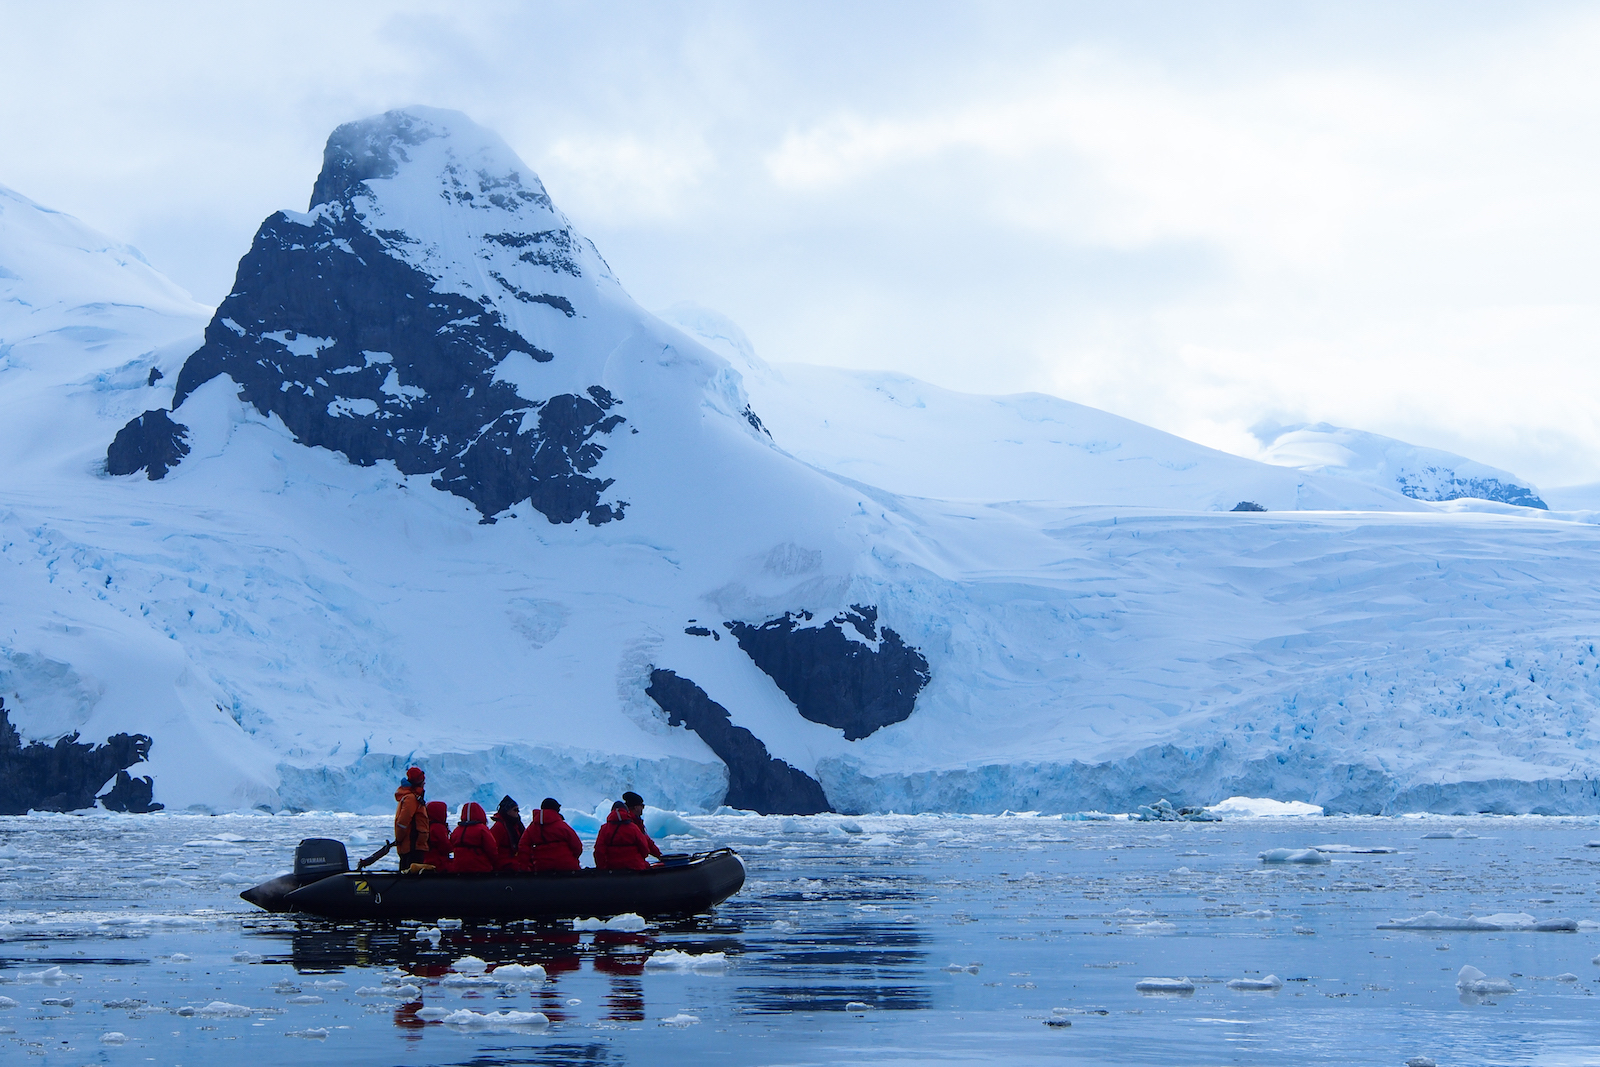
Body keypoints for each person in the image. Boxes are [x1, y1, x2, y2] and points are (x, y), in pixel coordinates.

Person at [593, 791, 662, 871]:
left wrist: (602, 868)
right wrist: (659, 855)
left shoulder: (606, 828)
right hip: (635, 866)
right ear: (636, 807)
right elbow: (645, 846)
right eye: (642, 806)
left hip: (612, 868)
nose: (643, 808)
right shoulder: (633, 825)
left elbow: (599, 850)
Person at [518, 797, 583, 872]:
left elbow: (523, 846)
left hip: (542, 866)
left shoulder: (532, 828)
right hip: (566, 865)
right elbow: (577, 846)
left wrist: (524, 867)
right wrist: (572, 857)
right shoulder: (562, 826)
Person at [392, 766, 430, 871]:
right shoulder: (411, 798)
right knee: (412, 875)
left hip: (414, 845)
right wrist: (400, 839)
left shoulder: (412, 797)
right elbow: (403, 822)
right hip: (412, 846)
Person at [449, 801, 499, 873]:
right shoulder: (482, 829)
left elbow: (451, 845)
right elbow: (492, 849)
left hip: (459, 867)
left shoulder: (457, 830)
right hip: (480, 867)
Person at [489, 795, 527, 872]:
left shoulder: (516, 825)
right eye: (515, 810)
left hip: (516, 861)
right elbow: (492, 848)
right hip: (505, 864)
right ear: (507, 811)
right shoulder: (499, 827)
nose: (518, 812)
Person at [421, 800, 453, 871]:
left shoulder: (426, 825)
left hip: (427, 859)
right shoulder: (438, 827)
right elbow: (444, 846)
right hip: (438, 861)